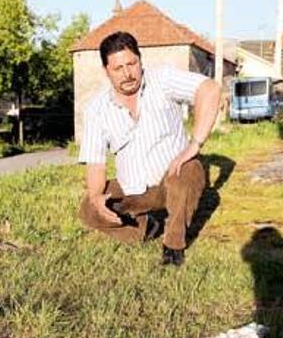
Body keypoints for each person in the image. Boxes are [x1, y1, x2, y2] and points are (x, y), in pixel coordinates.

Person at [77, 31, 221, 267]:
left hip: (174, 177)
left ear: (140, 60)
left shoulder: (162, 79)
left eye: (132, 64)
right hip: (135, 189)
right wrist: (96, 197)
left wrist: (194, 145)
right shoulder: (96, 109)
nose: (127, 73)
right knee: (89, 208)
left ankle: (173, 245)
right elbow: (95, 164)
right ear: (106, 71)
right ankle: (145, 229)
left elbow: (210, 89)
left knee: (186, 174)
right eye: (118, 68)